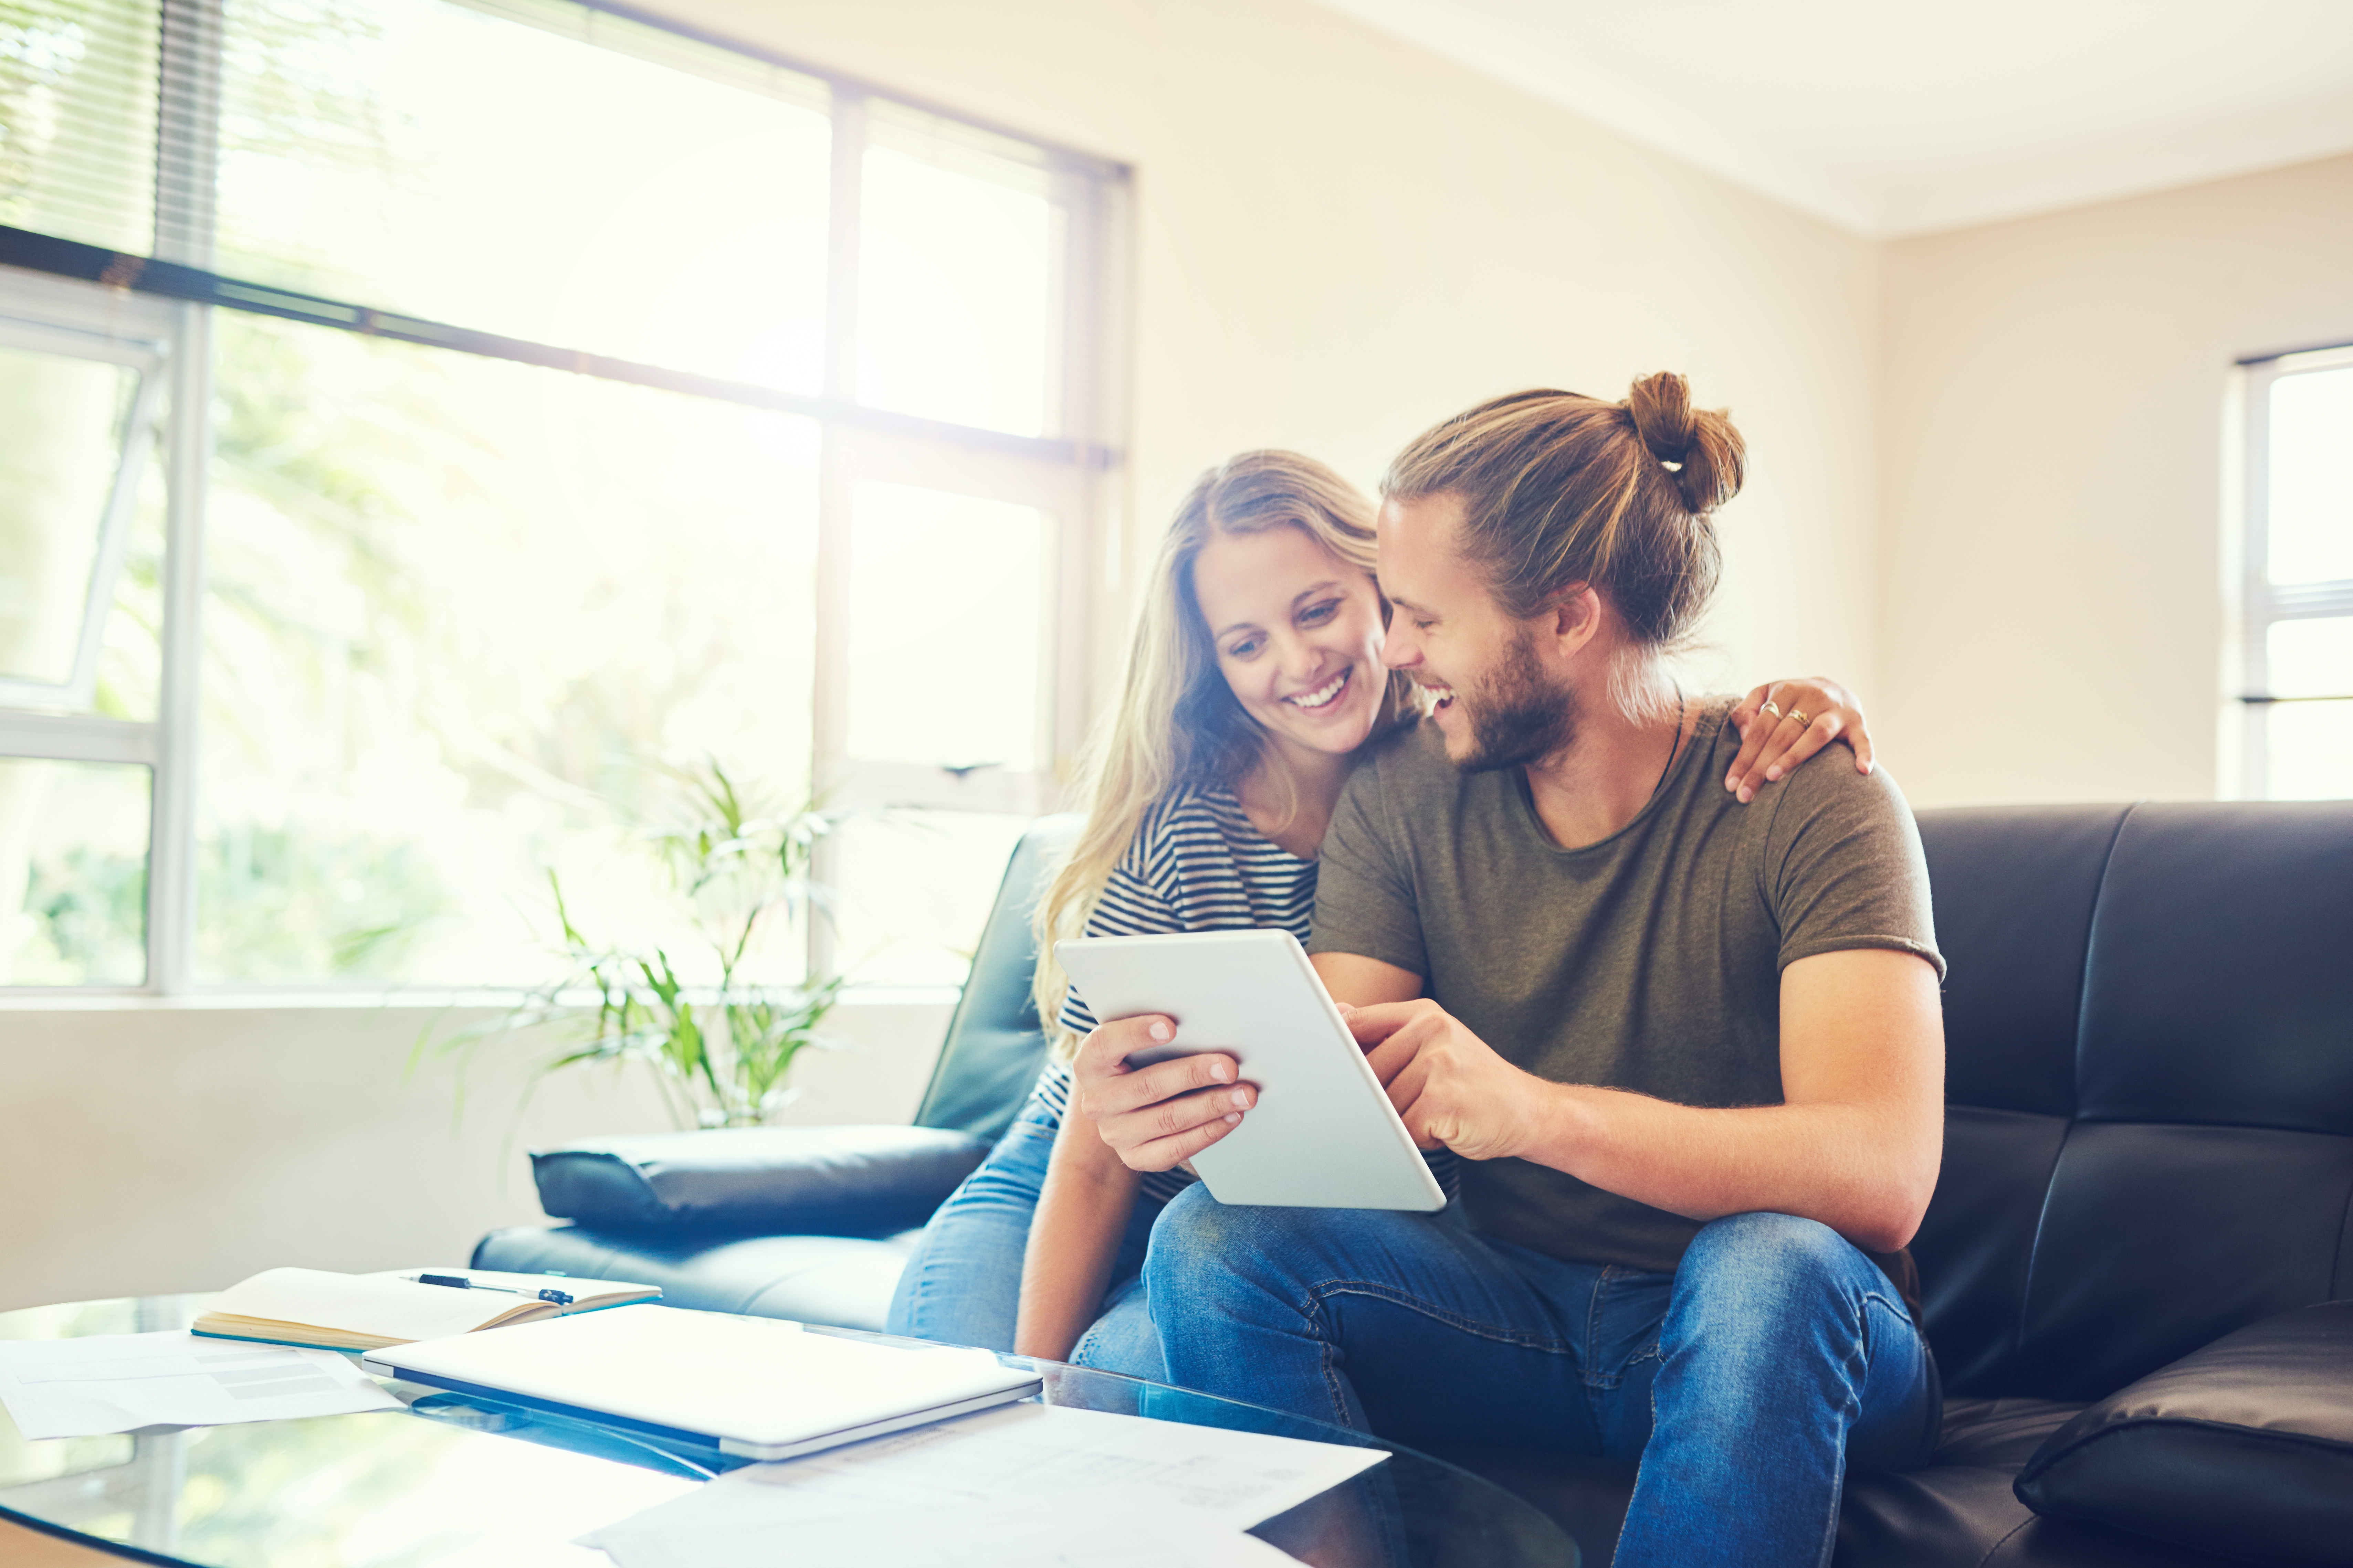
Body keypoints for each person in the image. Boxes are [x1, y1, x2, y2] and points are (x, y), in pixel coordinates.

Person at [1075, 375, 1944, 1568]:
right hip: (1508, 1313)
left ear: (1568, 619)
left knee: (1768, 1261)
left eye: (1424, 619)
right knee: (1217, 1244)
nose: (1391, 651)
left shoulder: (1811, 798)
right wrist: (1173, 1101)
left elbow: (1879, 1174)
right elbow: (1327, 1087)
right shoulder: (1400, 797)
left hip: (1776, 1324)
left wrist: (1536, 1115)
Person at [887, 446, 1879, 1380]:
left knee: (1155, 1350)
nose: (1297, 660)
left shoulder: (1467, 744)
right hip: (1092, 1178)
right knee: (956, 1424)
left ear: (1388, 592)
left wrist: (1812, 695)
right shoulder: (1184, 838)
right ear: (1215, 666)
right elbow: (1092, 1161)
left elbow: (1614, 714)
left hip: (1258, 1218)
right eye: (1246, 642)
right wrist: (1037, 1388)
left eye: (1318, 609)